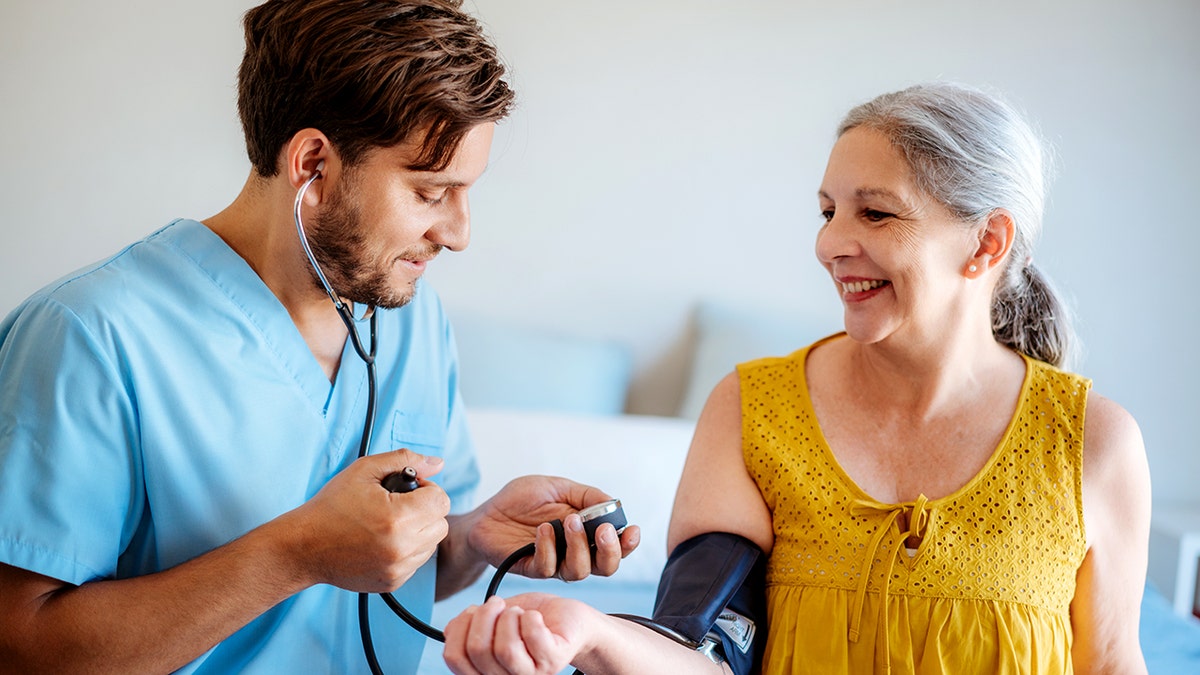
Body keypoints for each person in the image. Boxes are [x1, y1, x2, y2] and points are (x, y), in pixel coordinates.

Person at [0, 1, 640, 673]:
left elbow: (376, 565)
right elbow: (22, 644)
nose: (457, 233)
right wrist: (295, 552)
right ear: (313, 164)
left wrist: (472, 540)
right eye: (429, 192)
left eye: (465, 193)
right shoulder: (87, 336)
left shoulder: (410, 318)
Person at [440, 82, 1152, 675]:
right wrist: (592, 632)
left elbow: (1114, 663)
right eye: (827, 210)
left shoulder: (1093, 441)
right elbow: (705, 647)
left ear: (986, 242)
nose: (830, 245)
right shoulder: (753, 408)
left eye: (875, 212)